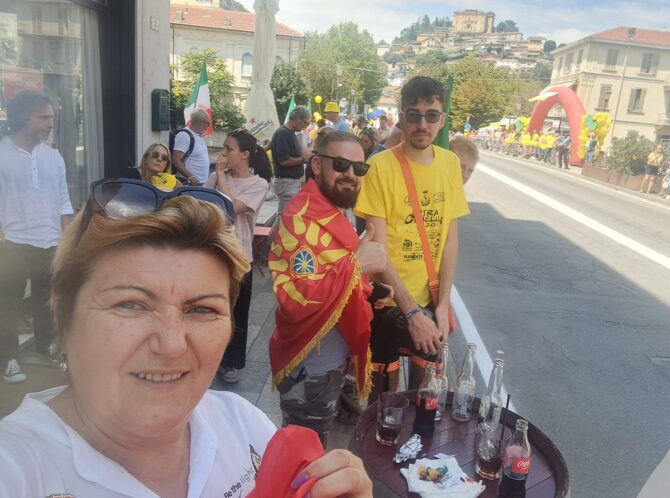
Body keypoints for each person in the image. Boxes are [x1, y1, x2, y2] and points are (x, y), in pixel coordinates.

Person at [0, 184, 372, 497]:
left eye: (202, 309)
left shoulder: (244, 424)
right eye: (131, 304)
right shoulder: (16, 469)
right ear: (63, 319)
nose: (172, 344)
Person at [269, 131, 389, 446]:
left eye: (359, 168)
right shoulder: (299, 219)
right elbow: (298, 299)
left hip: (333, 357)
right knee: (304, 455)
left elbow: (333, 270)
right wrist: (357, 264)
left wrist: (370, 288)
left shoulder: (338, 207)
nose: (350, 174)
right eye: (340, 164)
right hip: (311, 365)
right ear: (317, 165)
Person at [354, 76, 469, 399]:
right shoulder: (379, 167)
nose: (422, 124)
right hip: (386, 299)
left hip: (429, 296)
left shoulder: (450, 164)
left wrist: (442, 304)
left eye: (431, 115)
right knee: (383, 399)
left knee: (425, 394)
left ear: (442, 119)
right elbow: (377, 247)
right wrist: (412, 313)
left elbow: (450, 240)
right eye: (414, 115)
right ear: (401, 118)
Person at [0, 90, 73, 383]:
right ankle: (9, 358)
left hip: (50, 241)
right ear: (22, 118)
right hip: (12, 243)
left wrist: (68, 241)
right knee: (8, 304)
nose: (50, 124)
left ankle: (45, 347)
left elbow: (63, 202)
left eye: (51, 118)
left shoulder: (54, 157)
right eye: (43, 118)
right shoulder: (2, 155)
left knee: (46, 300)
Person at [206, 129, 273, 384]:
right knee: (211, 308)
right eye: (223, 148)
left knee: (236, 311)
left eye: (229, 149)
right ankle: (210, 357)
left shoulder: (258, 184)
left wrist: (220, 175)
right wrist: (218, 176)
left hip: (239, 256)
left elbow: (231, 208)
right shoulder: (216, 176)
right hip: (213, 252)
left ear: (245, 154)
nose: (223, 153)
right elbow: (204, 206)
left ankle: (231, 362)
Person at [271, 106, 312, 216]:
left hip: (290, 182)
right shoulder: (283, 133)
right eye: (306, 123)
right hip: (286, 182)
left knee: (285, 215)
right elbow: (284, 161)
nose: (306, 127)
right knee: (285, 216)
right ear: (298, 119)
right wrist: (304, 159)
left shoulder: (290, 132)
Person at [171, 109, 211, 186]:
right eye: (208, 123)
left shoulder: (198, 135)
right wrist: (191, 177)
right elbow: (176, 160)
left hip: (200, 183)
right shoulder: (184, 135)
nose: (208, 127)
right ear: (199, 122)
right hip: (189, 184)